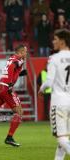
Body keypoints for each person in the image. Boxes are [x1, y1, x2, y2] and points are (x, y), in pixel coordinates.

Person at [39, 29, 70, 160]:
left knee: (61, 138)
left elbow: (49, 82)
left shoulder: (54, 58)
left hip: (59, 103)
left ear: (62, 42)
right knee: (64, 138)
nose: (53, 41)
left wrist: (41, 89)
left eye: (55, 39)